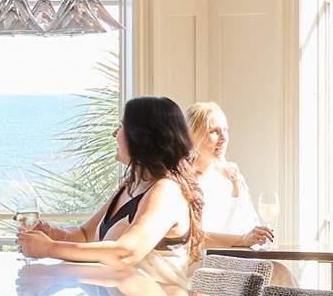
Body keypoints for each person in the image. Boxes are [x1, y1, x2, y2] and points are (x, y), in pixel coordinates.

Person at [14, 95, 204, 280]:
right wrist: (51, 234)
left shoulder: (166, 191)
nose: (114, 134)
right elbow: (85, 235)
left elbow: (126, 253)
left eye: (121, 127)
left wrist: (50, 249)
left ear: (142, 137)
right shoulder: (130, 185)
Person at [187, 101, 276, 254]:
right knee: (276, 272)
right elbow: (191, 237)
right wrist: (242, 240)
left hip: (235, 257)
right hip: (201, 262)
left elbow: (251, 224)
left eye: (225, 130)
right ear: (192, 136)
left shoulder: (232, 175)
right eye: (214, 131)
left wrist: (236, 192)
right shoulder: (184, 180)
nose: (224, 138)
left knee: (280, 272)